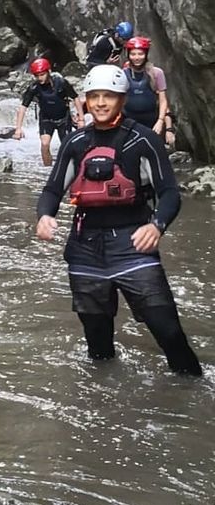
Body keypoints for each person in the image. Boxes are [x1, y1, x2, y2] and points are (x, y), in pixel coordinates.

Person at [35, 65, 201, 376]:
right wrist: (44, 215)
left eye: (108, 96)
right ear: (86, 100)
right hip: (85, 250)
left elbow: (169, 193)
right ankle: (105, 407)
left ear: (122, 99)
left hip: (133, 244)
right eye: (94, 96)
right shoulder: (76, 143)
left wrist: (157, 226)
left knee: (169, 333)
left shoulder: (144, 141)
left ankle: (193, 391)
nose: (100, 102)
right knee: (98, 347)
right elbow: (52, 189)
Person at [13, 57, 83, 166]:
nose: (40, 78)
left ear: (48, 72)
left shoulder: (61, 83)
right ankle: (47, 170)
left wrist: (81, 119)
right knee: (45, 145)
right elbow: (23, 107)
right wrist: (18, 128)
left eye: (42, 74)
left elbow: (76, 98)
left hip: (63, 119)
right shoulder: (34, 87)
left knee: (66, 146)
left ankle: (72, 168)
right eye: (37, 75)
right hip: (46, 119)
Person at [122, 36, 169, 138]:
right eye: (133, 54)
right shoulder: (123, 74)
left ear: (146, 54)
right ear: (128, 55)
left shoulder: (156, 73)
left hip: (151, 119)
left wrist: (160, 121)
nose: (137, 57)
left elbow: (163, 100)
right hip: (129, 119)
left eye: (140, 54)